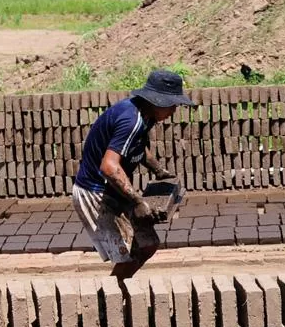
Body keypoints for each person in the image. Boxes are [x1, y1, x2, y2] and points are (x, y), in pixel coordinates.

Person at [72, 70, 195, 280]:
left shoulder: (144, 116)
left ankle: (120, 293)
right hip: (97, 193)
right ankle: (109, 301)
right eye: (172, 104)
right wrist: (138, 201)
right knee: (126, 255)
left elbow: (135, 146)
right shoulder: (131, 119)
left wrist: (157, 169)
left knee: (148, 244)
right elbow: (109, 167)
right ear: (158, 101)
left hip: (114, 190)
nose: (174, 110)